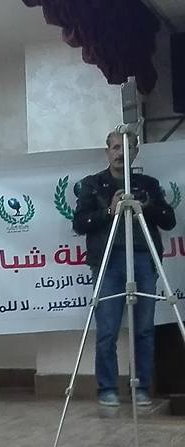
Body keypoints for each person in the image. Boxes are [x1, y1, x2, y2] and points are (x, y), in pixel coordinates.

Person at [73, 130, 175, 407]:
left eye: (127, 148)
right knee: (107, 330)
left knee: (144, 329)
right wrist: (110, 210)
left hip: (143, 259)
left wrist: (148, 206)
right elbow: (79, 224)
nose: (121, 153)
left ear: (135, 152)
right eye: (116, 147)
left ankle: (141, 388)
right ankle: (107, 389)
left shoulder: (148, 185)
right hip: (108, 261)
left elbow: (169, 221)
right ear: (108, 151)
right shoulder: (93, 184)